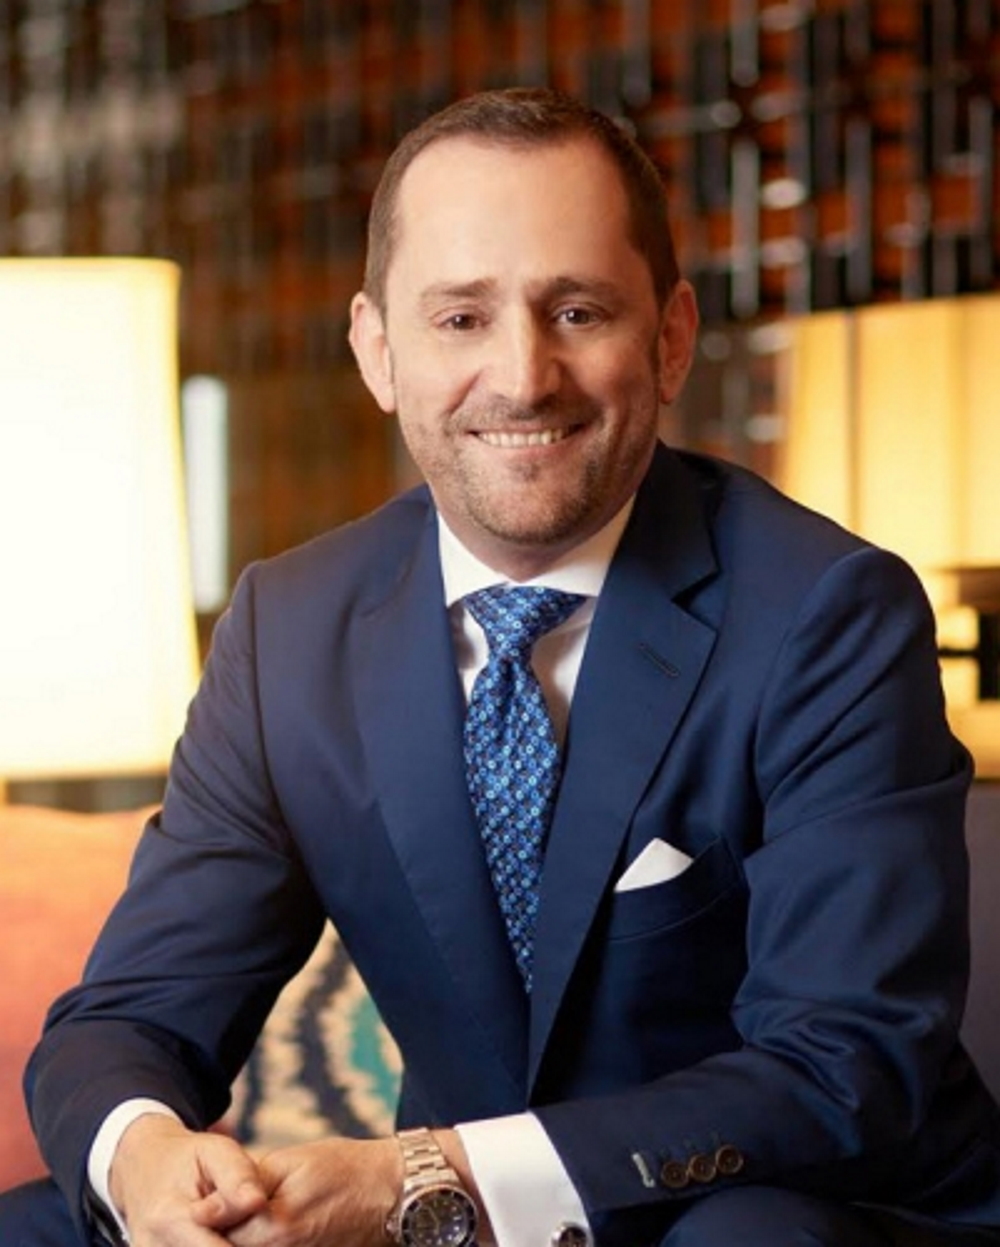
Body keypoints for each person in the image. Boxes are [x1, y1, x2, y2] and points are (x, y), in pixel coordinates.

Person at [2, 86, 1000, 1247]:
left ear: (671, 337)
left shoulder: (828, 612)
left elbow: (843, 1068)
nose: (524, 376)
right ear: (378, 351)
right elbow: (129, 1016)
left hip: (785, 1204)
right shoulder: (290, 628)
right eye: (461, 318)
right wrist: (149, 1162)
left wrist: (420, 1175)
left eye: (577, 310)